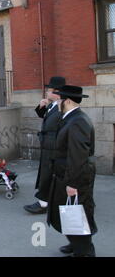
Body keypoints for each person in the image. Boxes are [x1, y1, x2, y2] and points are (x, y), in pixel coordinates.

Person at [47, 85, 97, 257]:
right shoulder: (71, 117)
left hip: (75, 175)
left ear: (67, 101)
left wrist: (72, 183)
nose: (58, 102)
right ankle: (75, 244)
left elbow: (77, 156)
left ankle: (84, 251)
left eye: (60, 99)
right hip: (66, 173)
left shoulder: (78, 121)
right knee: (69, 210)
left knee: (78, 212)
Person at [24, 76, 66, 214]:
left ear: (56, 92)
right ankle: (48, 201)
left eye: (48, 90)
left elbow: (58, 125)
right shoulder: (53, 105)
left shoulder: (62, 106)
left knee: (49, 174)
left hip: (53, 146)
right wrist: (41, 107)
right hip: (48, 146)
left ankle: (44, 203)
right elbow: (47, 118)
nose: (46, 93)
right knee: (46, 174)